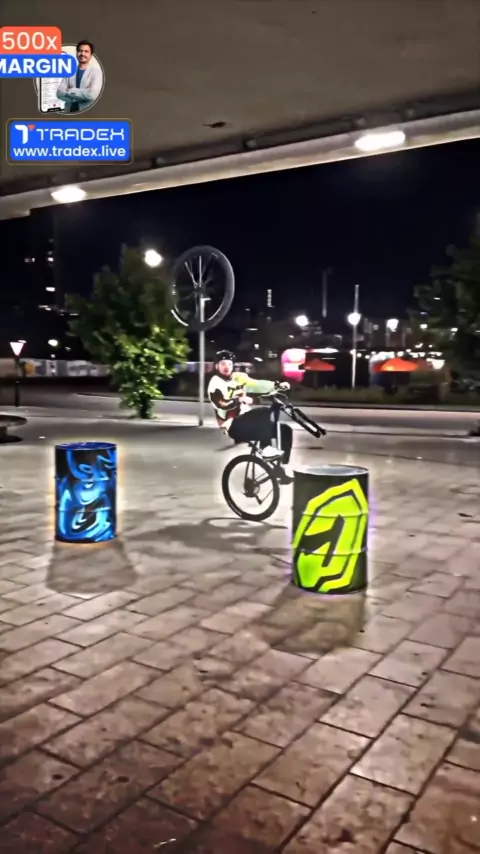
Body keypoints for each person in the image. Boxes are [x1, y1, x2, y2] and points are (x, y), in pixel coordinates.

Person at [208, 350, 294, 483]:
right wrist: (239, 400)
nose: (226, 367)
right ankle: (266, 449)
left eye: (229, 364)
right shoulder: (215, 383)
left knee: (285, 431)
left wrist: (276, 385)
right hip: (233, 425)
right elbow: (220, 403)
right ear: (216, 366)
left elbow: (257, 385)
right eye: (223, 364)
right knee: (263, 412)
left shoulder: (239, 378)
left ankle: (282, 467)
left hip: (247, 421)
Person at [57, 40, 103, 113]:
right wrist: (81, 96)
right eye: (80, 51)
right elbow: (59, 93)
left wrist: (70, 91)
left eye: (86, 51)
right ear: (76, 53)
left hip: (87, 112)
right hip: (69, 111)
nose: (82, 53)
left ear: (91, 55)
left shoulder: (96, 72)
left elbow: (92, 95)